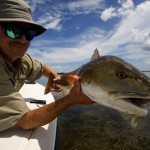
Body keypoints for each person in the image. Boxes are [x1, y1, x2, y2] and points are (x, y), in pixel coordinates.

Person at [0, 0, 94, 132]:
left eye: (29, 34)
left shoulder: (21, 60)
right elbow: (26, 122)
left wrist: (56, 79)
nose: (23, 40)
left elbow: (44, 69)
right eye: (13, 31)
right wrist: (70, 99)